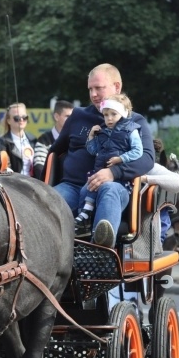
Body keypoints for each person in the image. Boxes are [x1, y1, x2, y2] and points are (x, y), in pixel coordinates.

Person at [49, 63, 154, 247]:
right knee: (46, 202)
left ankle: (100, 253)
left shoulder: (135, 122)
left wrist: (114, 173)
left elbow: (147, 158)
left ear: (117, 87)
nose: (93, 94)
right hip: (73, 187)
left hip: (114, 187)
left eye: (99, 88)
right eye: (90, 89)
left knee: (110, 190)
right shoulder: (78, 116)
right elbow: (55, 152)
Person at [74, 93, 142, 232]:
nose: (109, 118)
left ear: (123, 113)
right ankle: (84, 220)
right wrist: (91, 136)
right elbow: (93, 151)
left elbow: (138, 151)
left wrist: (121, 158)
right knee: (85, 189)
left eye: (113, 114)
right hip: (100, 173)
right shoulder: (103, 131)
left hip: (120, 180)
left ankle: (90, 219)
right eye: (106, 115)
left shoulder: (131, 130)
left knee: (106, 189)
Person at [32, 100, 73, 178]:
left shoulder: (75, 139)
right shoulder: (44, 140)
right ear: (56, 117)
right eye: (67, 116)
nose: (71, 120)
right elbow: (39, 168)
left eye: (72, 117)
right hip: (49, 187)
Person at [0, 102, 37, 175]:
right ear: (8, 121)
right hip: (15, 183)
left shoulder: (33, 139)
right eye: (17, 118)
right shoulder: (2, 142)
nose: (21, 120)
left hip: (34, 183)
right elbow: (5, 167)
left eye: (25, 117)